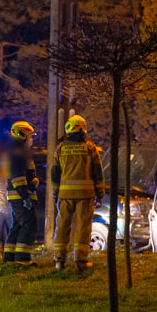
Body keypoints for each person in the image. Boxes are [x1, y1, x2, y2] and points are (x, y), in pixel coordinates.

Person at [51, 115, 105, 271]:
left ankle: (60, 260)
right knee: (83, 227)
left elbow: (55, 174)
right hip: (85, 195)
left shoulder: (60, 149)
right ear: (84, 128)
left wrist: (56, 194)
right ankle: (80, 261)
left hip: (65, 196)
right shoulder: (90, 148)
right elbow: (98, 173)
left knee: (62, 226)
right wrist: (100, 193)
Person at [3, 121, 39, 266]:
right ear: (22, 134)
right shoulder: (17, 151)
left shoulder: (15, 150)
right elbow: (17, 176)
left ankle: (10, 258)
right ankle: (22, 260)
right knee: (29, 225)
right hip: (20, 195)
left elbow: (23, 174)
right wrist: (25, 197)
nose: (31, 139)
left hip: (17, 194)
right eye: (29, 135)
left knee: (18, 225)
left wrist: (35, 180)